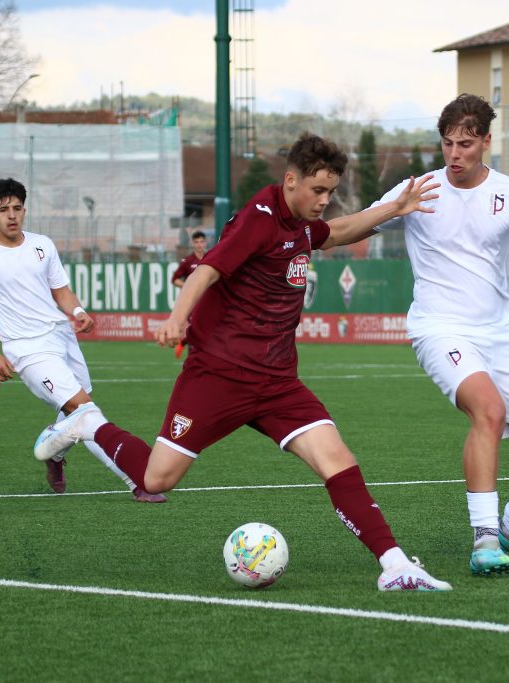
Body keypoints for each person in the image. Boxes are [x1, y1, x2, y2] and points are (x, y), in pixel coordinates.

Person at [34, 133, 452, 592]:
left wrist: (394, 208)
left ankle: (395, 566)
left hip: (277, 382)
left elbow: (336, 233)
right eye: (318, 190)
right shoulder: (259, 219)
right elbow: (207, 270)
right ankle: (88, 423)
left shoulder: (302, 224)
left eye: (330, 191)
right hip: (219, 374)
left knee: (337, 459)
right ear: (290, 181)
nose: (324, 200)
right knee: (157, 478)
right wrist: (177, 317)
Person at [370, 94, 509, 576]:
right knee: (489, 410)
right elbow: (349, 228)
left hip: (500, 334)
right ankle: (485, 538)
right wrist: (318, 231)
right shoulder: (418, 191)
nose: (454, 154)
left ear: (486, 141)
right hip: (439, 328)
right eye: (447, 143)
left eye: (465, 144)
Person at [0, 178, 166, 503]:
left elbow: (61, 291)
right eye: (3, 210)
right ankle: (135, 480)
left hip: (62, 337)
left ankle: (55, 455)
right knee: (85, 410)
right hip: (27, 350)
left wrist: (79, 311)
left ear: (24, 210)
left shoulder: (42, 245)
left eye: (17, 208)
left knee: (78, 411)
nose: (11, 215)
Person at [170, 230, 208, 358]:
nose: (199, 245)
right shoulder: (187, 261)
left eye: (201, 242)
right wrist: (188, 287)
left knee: (209, 329)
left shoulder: (210, 258)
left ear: (205, 243)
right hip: (193, 302)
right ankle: (192, 359)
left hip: (208, 300)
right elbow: (175, 279)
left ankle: (184, 342)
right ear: (193, 244)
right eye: (196, 242)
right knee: (195, 328)